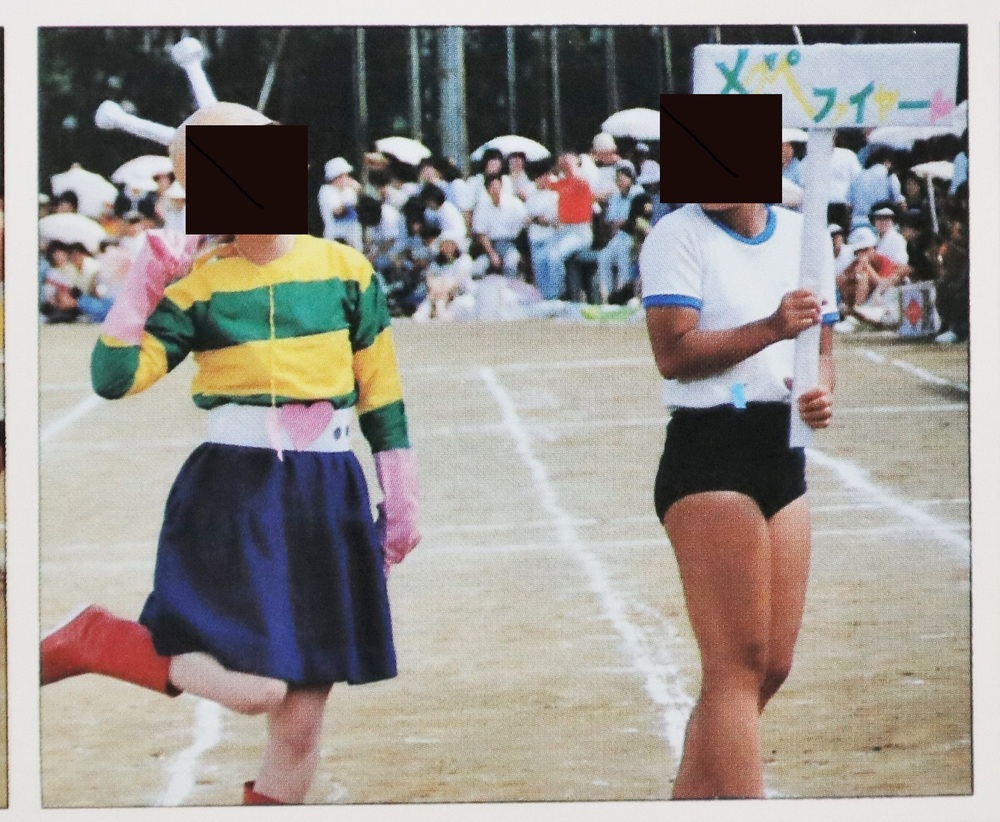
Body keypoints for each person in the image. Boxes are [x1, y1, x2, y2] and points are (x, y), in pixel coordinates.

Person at [40, 102, 421, 807]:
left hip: (329, 496)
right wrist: (142, 285)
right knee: (257, 690)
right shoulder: (197, 282)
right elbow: (113, 379)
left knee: (299, 728)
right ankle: (96, 639)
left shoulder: (348, 271)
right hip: (234, 497)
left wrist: (400, 498)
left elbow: (382, 396)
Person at [639, 202, 837, 799]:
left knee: (771, 665)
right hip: (711, 446)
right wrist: (771, 328)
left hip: (781, 447)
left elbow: (822, 349)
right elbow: (674, 355)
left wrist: (818, 392)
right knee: (735, 666)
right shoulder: (677, 234)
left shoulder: (804, 235)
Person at [318, 157, 363, 250]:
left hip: (353, 237)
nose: (347, 178)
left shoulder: (349, 190)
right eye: (343, 176)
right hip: (335, 237)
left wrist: (359, 191)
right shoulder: (326, 191)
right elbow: (338, 212)